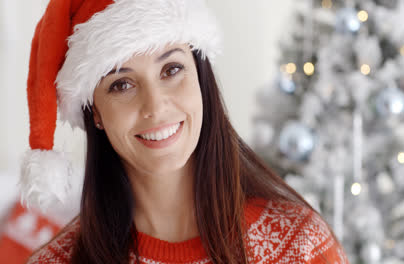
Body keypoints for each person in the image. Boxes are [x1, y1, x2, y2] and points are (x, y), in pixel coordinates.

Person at [20, 0, 349, 263]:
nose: (155, 105)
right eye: (121, 84)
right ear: (97, 114)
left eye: (171, 69)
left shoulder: (300, 245)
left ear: (200, 79)